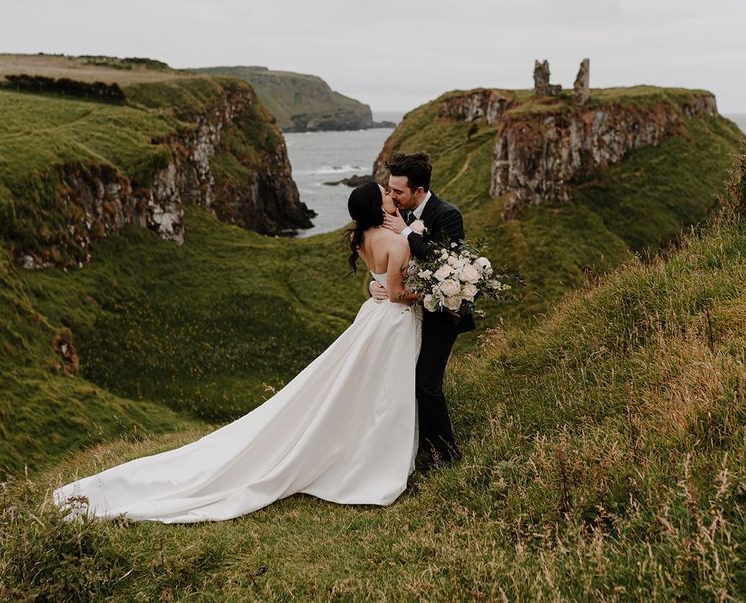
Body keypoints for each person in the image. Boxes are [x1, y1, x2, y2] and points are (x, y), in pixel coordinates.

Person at [52, 182, 421, 524]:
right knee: (386, 387)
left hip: (372, 316)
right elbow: (396, 292)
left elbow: (378, 282)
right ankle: (374, 454)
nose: (391, 196)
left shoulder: (363, 239)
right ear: (378, 205)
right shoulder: (397, 243)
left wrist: (385, 285)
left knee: (366, 383)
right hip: (392, 319)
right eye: (385, 194)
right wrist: (427, 292)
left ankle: (362, 443)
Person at [371, 151, 473, 467]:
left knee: (425, 382)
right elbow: (385, 263)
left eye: (398, 191)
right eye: (389, 190)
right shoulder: (393, 215)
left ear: (418, 191)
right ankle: (419, 446)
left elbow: (445, 265)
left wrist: (405, 232)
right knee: (405, 380)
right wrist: (375, 287)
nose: (392, 196)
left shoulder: (447, 215)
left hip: (444, 314)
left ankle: (446, 453)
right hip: (409, 313)